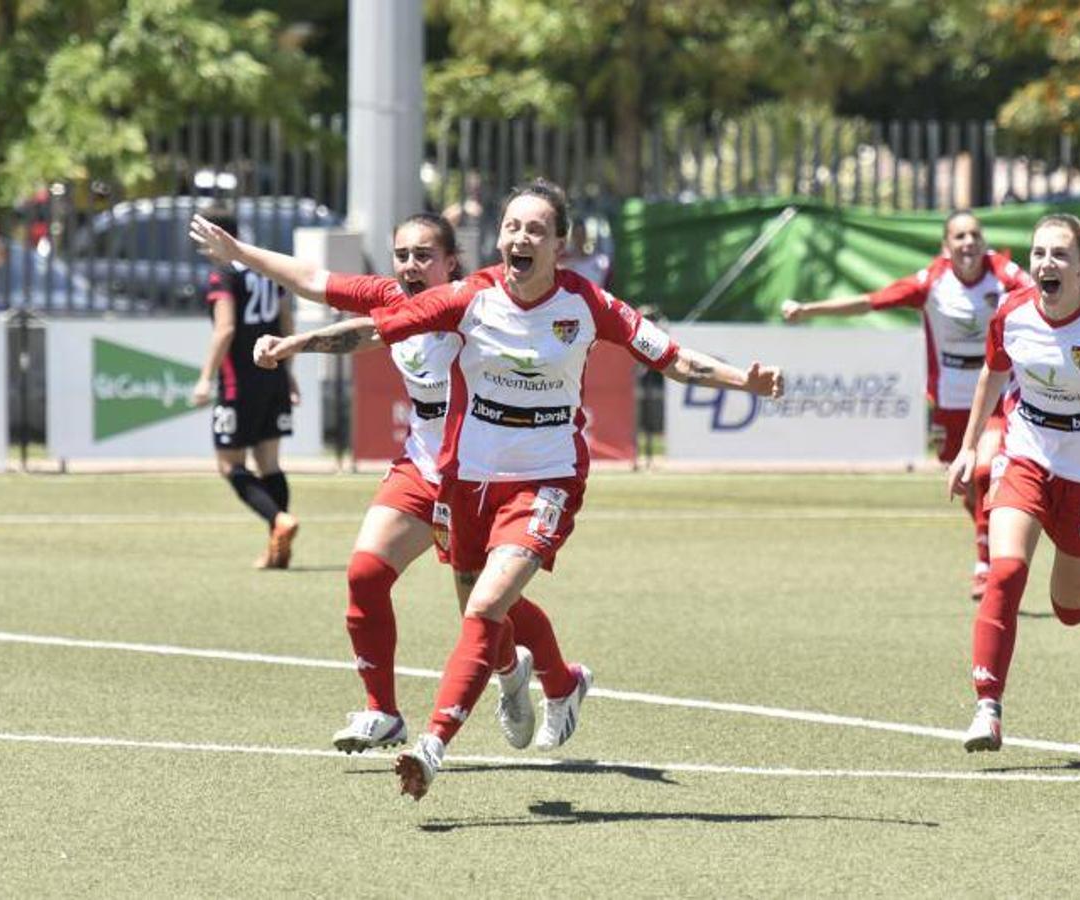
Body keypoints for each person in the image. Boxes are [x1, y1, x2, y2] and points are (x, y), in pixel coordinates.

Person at [255, 178, 784, 800]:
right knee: (482, 604)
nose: (520, 237)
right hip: (468, 480)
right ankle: (559, 681)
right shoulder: (471, 296)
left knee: (484, 608)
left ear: (559, 245)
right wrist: (298, 344)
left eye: (535, 229)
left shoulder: (588, 304)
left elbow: (669, 356)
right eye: (512, 227)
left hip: (546, 479)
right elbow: (377, 329)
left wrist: (742, 381)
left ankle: (431, 746)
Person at [189, 210, 577, 755]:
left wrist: (296, 343)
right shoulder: (390, 297)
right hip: (422, 467)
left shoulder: (477, 304)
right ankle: (383, 711)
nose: (410, 266)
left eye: (424, 256)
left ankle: (551, 680)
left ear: (451, 263)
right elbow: (312, 279)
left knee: (487, 604)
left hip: (479, 472)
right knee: (366, 574)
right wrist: (241, 254)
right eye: (402, 255)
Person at [945, 212, 1080, 753]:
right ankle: (987, 707)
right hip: (1026, 455)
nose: (1046, 263)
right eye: (1039, 253)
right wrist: (970, 447)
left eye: (1060, 254)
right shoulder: (1012, 313)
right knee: (1005, 571)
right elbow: (993, 372)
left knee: (1068, 609)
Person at [782, 211, 1035, 599]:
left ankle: (986, 563)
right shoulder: (932, 282)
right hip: (950, 400)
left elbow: (1046, 294)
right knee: (966, 485)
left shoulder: (1004, 274)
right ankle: (985, 540)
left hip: (998, 396)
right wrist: (809, 310)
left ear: (983, 241)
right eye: (960, 236)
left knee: (985, 470)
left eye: (974, 235)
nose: (968, 242)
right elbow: (871, 302)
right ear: (946, 246)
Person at [189, 208, 300, 570]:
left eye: (203, 237)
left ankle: (279, 520)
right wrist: (289, 373)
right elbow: (286, 322)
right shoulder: (265, 270)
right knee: (269, 463)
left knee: (229, 464)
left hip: (240, 382)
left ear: (218, 236)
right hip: (273, 374)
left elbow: (225, 329)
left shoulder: (223, 275)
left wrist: (205, 378)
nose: (201, 246)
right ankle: (277, 545)